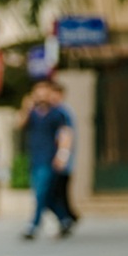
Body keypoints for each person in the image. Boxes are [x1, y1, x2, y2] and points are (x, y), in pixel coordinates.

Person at [15, 79, 74, 239]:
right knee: (42, 194)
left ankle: (33, 226)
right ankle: (64, 219)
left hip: (49, 159)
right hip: (35, 158)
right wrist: (25, 107)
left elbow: (66, 134)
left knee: (41, 192)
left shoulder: (57, 113)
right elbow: (19, 124)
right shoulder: (32, 113)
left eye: (44, 92)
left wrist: (62, 156)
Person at [47, 79, 78, 227]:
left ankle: (69, 218)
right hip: (57, 160)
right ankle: (68, 218)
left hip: (61, 162)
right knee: (59, 194)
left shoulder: (63, 112)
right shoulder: (56, 111)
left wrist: (62, 157)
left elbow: (66, 135)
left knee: (57, 193)